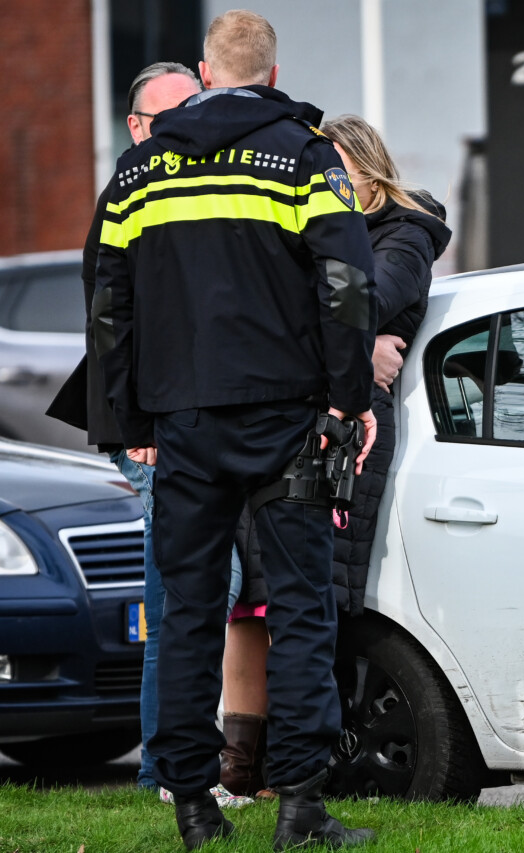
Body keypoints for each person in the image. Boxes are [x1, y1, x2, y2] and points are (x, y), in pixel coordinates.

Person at [92, 10, 377, 850]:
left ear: (208, 76)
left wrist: (130, 416)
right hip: (287, 415)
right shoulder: (303, 157)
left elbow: (110, 300)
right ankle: (299, 805)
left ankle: (192, 806)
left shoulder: (141, 171)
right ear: (274, 77)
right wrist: (345, 399)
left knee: (188, 608)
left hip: (182, 419)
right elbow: (347, 284)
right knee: (298, 608)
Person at [217, 113, 452, 798]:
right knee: (256, 601)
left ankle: (297, 769)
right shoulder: (314, 224)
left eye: (338, 176)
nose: (325, 191)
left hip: (346, 422)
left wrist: (337, 339)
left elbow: (365, 297)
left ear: (371, 172)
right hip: (293, 412)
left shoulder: (405, 233)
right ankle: (244, 767)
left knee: (311, 598)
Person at [45, 61, 247, 806]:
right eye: (167, 120)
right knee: (194, 592)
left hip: (184, 419)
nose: (186, 130)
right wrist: (137, 427)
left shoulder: (188, 189)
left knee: (187, 594)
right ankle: (172, 769)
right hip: (154, 428)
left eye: (194, 112)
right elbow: (113, 318)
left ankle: (166, 766)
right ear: (136, 129)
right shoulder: (132, 191)